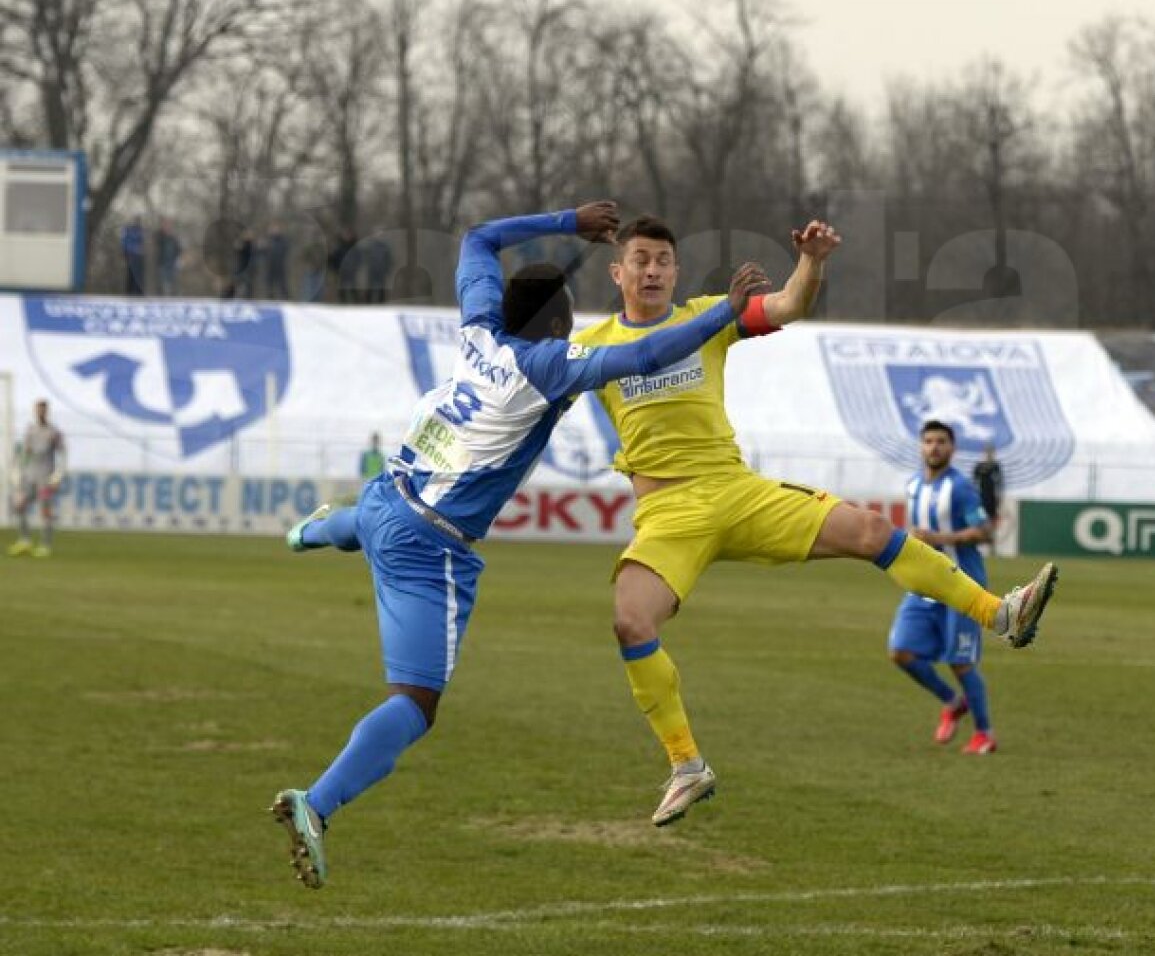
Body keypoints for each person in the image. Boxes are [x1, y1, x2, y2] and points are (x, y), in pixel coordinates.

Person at [270, 202, 769, 888]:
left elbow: (478, 238)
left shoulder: (478, 328)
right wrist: (724, 313)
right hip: (428, 543)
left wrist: (568, 221)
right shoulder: (548, 364)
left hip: (388, 494)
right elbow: (646, 353)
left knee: (360, 525)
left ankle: (310, 529)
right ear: (560, 329)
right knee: (415, 702)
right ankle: (317, 804)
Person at [572, 215, 1059, 827]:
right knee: (630, 620)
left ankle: (1001, 614)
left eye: (663, 260)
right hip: (667, 514)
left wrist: (813, 262)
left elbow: (789, 305)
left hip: (735, 491)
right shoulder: (589, 346)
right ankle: (686, 765)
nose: (652, 271)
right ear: (617, 272)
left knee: (871, 532)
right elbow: (534, 396)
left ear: (676, 271)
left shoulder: (708, 315)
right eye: (640, 260)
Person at [889, 421, 997, 753]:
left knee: (960, 662)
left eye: (941, 441)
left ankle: (984, 734)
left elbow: (985, 531)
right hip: (923, 584)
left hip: (961, 585)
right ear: (921, 446)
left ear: (952, 448)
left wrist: (941, 538)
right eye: (929, 441)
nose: (934, 447)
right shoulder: (913, 485)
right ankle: (952, 701)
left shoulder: (960, 488)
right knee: (901, 652)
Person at [8, 400, 67, 558]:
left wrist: (58, 476)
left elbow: (62, 455)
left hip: (45, 478)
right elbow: (24, 453)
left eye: (43, 410)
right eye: (38, 410)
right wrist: (18, 471)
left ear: (47, 412)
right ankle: (25, 540)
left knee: (45, 510)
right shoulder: (31, 430)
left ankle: (45, 545)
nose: (40, 413)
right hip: (29, 476)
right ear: (35, 411)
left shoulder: (54, 432)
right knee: (19, 505)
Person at [972, 444, 1004, 525]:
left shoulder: (995, 465)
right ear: (984, 453)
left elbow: (999, 481)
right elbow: (974, 481)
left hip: (992, 495)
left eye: (991, 452)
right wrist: (975, 494)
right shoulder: (979, 466)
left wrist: (999, 495)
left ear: (994, 453)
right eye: (987, 452)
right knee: (981, 516)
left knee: (992, 516)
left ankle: (991, 529)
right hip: (981, 494)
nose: (989, 454)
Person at [155, 220, 182, 296]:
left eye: (168, 226)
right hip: (162, 263)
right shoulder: (160, 236)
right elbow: (157, 244)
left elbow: (178, 249)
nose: (167, 227)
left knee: (174, 283)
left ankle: (176, 297)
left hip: (172, 263)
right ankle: (165, 297)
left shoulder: (174, 238)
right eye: (165, 225)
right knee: (164, 284)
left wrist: (178, 259)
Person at [120, 216, 146, 296]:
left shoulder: (141, 231)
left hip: (138, 256)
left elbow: (144, 242)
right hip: (131, 255)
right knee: (131, 273)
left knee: (138, 274)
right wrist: (125, 252)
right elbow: (124, 242)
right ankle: (130, 292)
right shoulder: (128, 230)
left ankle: (138, 291)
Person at [264, 225, 290, 300]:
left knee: (282, 282)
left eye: (276, 230)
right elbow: (263, 252)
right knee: (269, 282)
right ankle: (270, 297)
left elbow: (285, 249)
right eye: (273, 230)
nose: (275, 231)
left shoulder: (283, 240)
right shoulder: (268, 240)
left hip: (279, 264)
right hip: (270, 265)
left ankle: (285, 297)